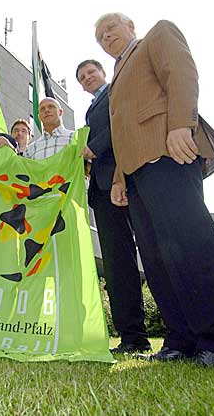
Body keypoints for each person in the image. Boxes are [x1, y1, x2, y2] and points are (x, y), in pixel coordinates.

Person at [95, 12, 214, 366]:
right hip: (134, 175)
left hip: (168, 152)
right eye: (100, 36)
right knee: (157, 259)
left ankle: (213, 337)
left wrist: (181, 124)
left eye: (110, 29)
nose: (106, 37)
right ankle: (180, 339)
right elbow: (122, 133)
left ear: (130, 26)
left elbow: (182, 73)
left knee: (192, 245)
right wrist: (119, 177)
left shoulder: (156, 36)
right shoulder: (116, 77)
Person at [76, 59, 150, 353]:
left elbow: (122, 123)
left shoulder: (116, 92)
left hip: (129, 181)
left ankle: (174, 333)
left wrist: (95, 148)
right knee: (117, 264)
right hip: (102, 191)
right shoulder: (91, 109)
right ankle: (132, 336)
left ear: (103, 73)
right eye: (82, 77)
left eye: (91, 72)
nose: (87, 78)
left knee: (147, 255)